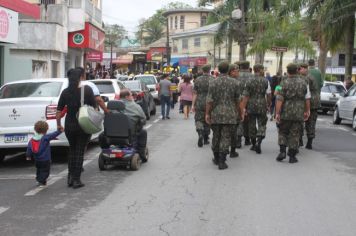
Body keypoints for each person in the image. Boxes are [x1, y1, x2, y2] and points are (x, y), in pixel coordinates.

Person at [56, 68, 97, 189]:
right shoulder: (87, 90)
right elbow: (95, 109)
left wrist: (59, 124)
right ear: (81, 77)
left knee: (72, 151)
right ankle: (76, 179)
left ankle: (70, 177)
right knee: (79, 152)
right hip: (82, 125)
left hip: (69, 125)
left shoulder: (65, 92)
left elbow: (58, 111)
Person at [206, 61, 242, 170]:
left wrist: (207, 113)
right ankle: (222, 161)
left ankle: (216, 158)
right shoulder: (235, 83)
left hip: (216, 113)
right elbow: (238, 101)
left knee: (216, 136)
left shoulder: (213, 82)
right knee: (225, 137)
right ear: (228, 70)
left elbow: (209, 101)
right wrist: (240, 113)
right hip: (230, 114)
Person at [275, 63, 311, 164]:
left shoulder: (283, 83)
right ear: (297, 70)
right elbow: (307, 98)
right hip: (298, 112)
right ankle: (292, 156)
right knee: (295, 134)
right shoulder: (304, 82)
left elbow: (279, 99)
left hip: (286, 112)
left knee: (283, 131)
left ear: (288, 70)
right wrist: (307, 111)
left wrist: (277, 113)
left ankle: (282, 151)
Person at [241, 64, 271, 154]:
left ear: (254, 70)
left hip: (251, 104)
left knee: (251, 124)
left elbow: (245, 96)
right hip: (262, 104)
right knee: (262, 124)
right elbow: (269, 94)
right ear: (261, 70)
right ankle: (259, 141)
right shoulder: (266, 81)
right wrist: (268, 104)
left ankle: (254, 144)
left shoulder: (249, 81)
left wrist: (243, 108)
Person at [26, 121, 62, 187]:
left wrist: (28, 155)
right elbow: (53, 134)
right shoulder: (45, 137)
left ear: (35, 129)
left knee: (39, 170)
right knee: (45, 171)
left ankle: (39, 179)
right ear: (46, 129)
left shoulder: (32, 139)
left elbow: (29, 148)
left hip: (37, 159)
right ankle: (42, 181)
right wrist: (59, 131)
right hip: (45, 159)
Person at [120, 89, 148, 161]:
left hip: (113, 134)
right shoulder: (136, 106)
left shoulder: (112, 106)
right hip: (130, 133)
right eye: (131, 95)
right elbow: (143, 119)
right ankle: (142, 154)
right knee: (143, 132)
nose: (132, 97)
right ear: (126, 97)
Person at [299, 63, 320, 149]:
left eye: (300, 69)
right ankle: (309, 142)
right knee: (311, 122)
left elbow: (302, 90)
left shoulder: (306, 78)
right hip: (315, 101)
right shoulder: (311, 76)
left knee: (300, 121)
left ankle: (300, 140)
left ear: (304, 69)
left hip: (308, 101)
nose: (299, 71)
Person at [192, 64, 214, 147]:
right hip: (210, 102)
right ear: (209, 70)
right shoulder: (213, 79)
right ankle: (205, 137)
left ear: (202, 70)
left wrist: (193, 105)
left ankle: (200, 132)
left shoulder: (198, 79)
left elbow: (195, 93)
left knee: (198, 119)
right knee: (207, 119)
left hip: (199, 102)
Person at [236, 60, 253, 147]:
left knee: (240, 119)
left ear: (240, 67)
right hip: (251, 100)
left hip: (239, 100)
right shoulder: (253, 77)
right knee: (248, 120)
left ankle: (238, 140)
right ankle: (247, 139)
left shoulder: (236, 76)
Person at [227, 64, 240, 157]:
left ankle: (222, 151)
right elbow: (238, 99)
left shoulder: (217, 81)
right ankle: (232, 151)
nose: (238, 72)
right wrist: (241, 111)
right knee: (233, 131)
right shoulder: (236, 83)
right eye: (236, 71)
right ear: (231, 71)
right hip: (232, 111)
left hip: (219, 111)